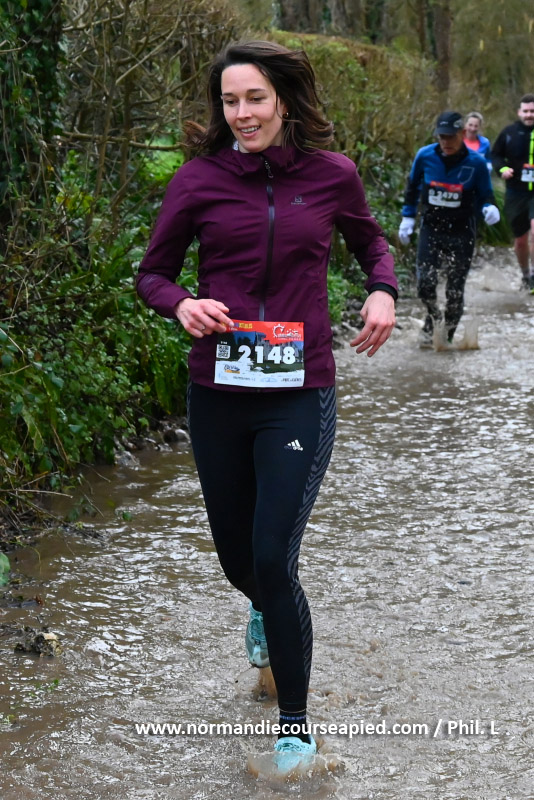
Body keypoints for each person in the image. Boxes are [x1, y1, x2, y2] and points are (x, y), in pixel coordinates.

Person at [136, 40, 397, 770]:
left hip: (299, 393)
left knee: (272, 558)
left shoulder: (332, 175)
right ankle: (260, 606)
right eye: (230, 101)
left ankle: (294, 728)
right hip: (219, 396)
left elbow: (372, 245)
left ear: (284, 99)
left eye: (255, 98)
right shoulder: (198, 180)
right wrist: (181, 304)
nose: (242, 113)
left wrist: (382, 290)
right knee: (238, 561)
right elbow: (153, 274)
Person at [398, 111, 500, 348]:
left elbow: (486, 195)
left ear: (462, 134)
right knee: (425, 283)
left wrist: (489, 208)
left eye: (451, 137)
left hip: (462, 231)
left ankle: (447, 339)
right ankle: (433, 318)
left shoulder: (476, 163)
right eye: (442, 137)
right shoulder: (425, 156)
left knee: (455, 290)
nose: (446, 142)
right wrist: (408, 218)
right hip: (431, 228)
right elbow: (412, 187)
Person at [491, 93, 534, 291]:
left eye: (532, 111)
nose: (529, 115)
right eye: (526, 111)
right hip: (516, 192)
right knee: (520, 241)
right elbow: (495, 155)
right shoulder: (509, 133)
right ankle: (525, 275)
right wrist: (502, 169)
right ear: (519, 112)